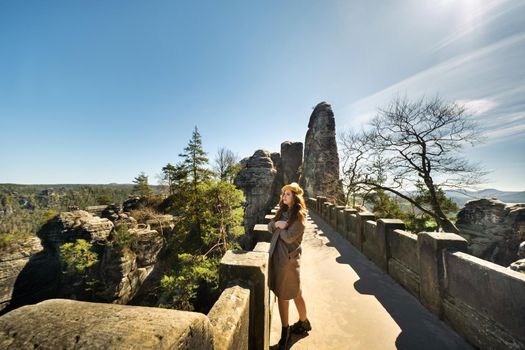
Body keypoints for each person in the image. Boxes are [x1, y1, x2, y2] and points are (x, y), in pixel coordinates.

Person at [268, 182, 312, 350]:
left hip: (287, 262)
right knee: (296, 293)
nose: (284, 196)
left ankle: (285, 331)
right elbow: (270, 226)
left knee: (284, 296)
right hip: (280, 258)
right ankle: (304, 323)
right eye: (283, 193)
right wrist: (278, 224)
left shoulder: (300, 216)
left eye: (287, 194)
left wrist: (279, 227)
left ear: (295, 197)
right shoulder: (282, 211)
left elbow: (288, 237)